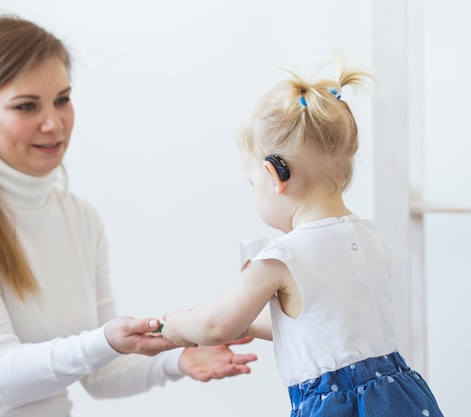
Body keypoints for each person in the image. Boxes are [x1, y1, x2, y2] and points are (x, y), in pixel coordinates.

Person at [0, 14, 257, 417]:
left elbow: (101, 376)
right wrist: (106, 340)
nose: (54, 123)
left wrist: (177, 360)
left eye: (62, 100)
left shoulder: (81, 219)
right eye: (27, 106)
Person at [162, 60, 444, 416]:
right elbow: (321, 319)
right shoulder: (368, 238)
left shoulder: (281, 258)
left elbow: (217, 323)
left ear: (274, 176)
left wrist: (176, 326)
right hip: (399, 398)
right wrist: (248, 323)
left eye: (253, 185)